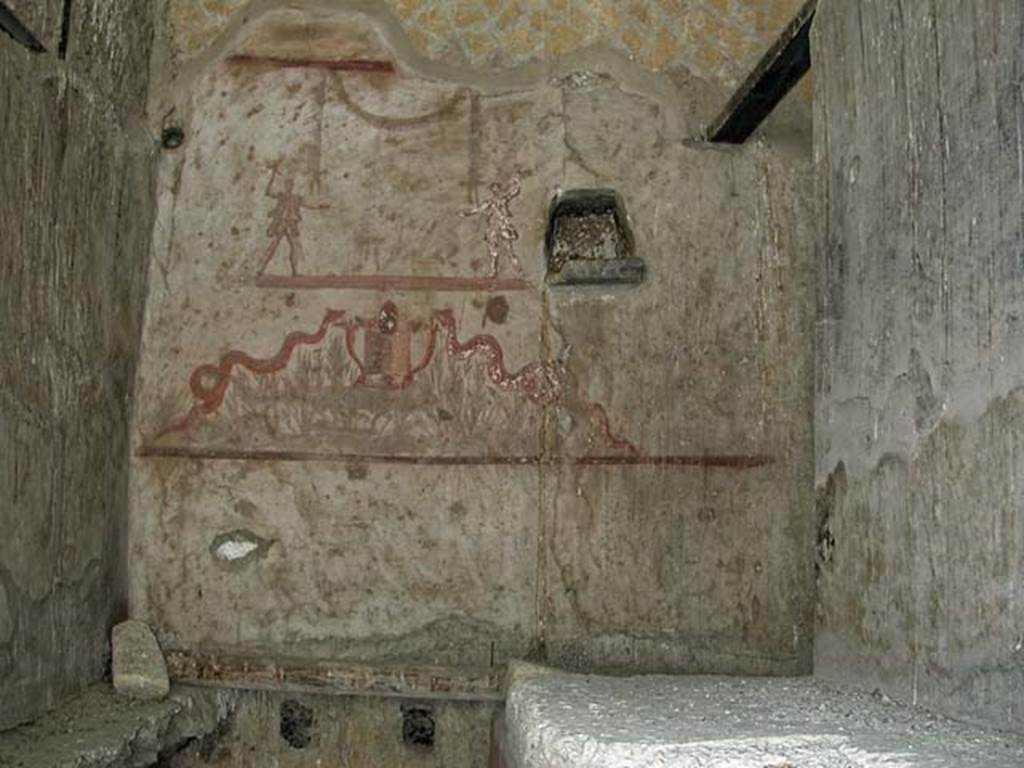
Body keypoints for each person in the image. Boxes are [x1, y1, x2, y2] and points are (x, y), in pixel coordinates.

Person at [257, 165, 329, 276]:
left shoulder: (296, 198)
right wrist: (272, 176)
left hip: (291, 224)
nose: (288, 187)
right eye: (287, 184)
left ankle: (295, 272)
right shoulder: (281, 196)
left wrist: (320, 206)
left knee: (294, 247)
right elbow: (268, 191)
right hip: (281, 223)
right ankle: (260, 269)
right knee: (273, 246)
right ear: (285, 186)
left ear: (292, 186)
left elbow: (308, 204)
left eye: (290, 185)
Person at [462, 170, 523, 278]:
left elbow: (514, 191)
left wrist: (517, 181)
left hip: (503, 226)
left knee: (509, 249)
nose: (495, 191)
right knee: (493, 250)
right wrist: (467, 213)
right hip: (493, 227)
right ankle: (493, 271)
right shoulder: (490, 202)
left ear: (499, 190)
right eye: (493, 190)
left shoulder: (504, 199)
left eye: (497, 189)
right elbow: (479, 209)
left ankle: (519, 271)